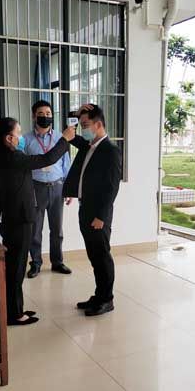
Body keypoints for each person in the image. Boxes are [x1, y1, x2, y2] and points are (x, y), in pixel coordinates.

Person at [0, 117, 75, 325]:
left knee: (14, 266)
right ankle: (14, 315)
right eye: (18, 133)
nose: (21, 137)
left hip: (11, 217)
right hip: (20, 219)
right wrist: (65, 140)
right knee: (16, 269)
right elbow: (46, 159)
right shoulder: (14, 157)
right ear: (9, 138)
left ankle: (15, 309)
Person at [63, 104, 121, 316]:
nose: (83, 128)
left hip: (98, 214)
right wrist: (76, 113)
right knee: (94, 256)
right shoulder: (90, 145)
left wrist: (101, 217)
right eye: (81, 124)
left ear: (98, 124)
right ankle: (99, 295)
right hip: (85, 208)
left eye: (86, 124)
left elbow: (111, 187)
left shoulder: (110, 150)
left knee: (102, 256)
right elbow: (72, 136)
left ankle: (107, 299)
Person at [24, 100, 73, 279]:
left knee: (57, 229)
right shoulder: (26, 140)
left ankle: (57, 262)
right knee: (35, 230)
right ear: (34, 116)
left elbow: (66, 164)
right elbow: (23, 167)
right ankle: (36, 263)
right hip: (36, 188)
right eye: (41, 114)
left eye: (48, 113)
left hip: (57, 187)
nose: (45, 116)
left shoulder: (61, 137)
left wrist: (69, 189)